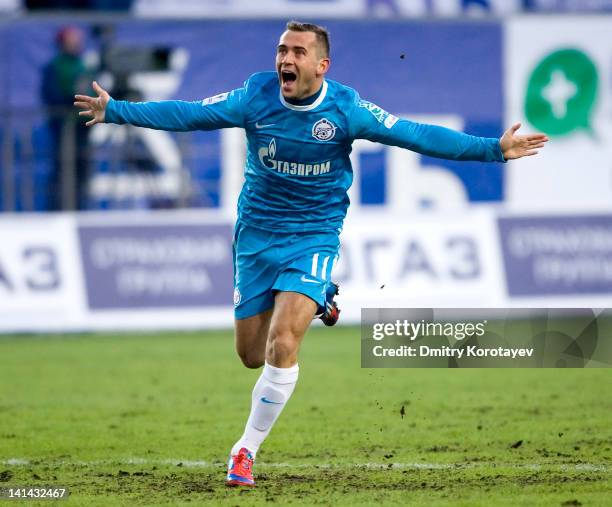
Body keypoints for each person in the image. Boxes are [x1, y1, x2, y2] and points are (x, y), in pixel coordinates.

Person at [74, 21, 548, 487]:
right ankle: (322, 295)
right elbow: (189, 113)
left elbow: (416, 134)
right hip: (256, 237)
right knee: (251, 356)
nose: (286, 59)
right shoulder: (255, 96)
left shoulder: (346, 109)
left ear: (322, 65)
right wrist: (118, 111)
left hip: (314, 235)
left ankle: (245, 451)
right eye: (282, 50)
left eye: (298, 52)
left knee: (284, 341)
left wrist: (494, 149)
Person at [42, 26, 91, 210]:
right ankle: (56, 209)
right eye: (72, 41)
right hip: (62, 127)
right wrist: (72, 99)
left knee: (81, 170)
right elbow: (50, 95)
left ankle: (80, 208)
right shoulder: (53, 67)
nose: (76, 45)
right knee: (61, 168)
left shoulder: (84, 67)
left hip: (82, 127)